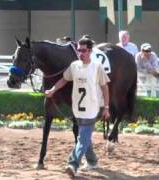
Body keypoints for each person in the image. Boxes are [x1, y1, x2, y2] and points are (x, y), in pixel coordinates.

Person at [45, 36, 110, 177]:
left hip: (92, 109)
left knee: (82, 138)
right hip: (78, 109)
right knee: (85, 137)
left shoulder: (97, 67)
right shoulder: (74, 66)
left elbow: (105, 88)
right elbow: (63, 80)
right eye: (79, 50)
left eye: (84, 50)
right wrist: (52, 90)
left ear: (90, 51)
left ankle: (73, 164)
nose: (81, 53)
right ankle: (92, 161)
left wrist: (106, 108)